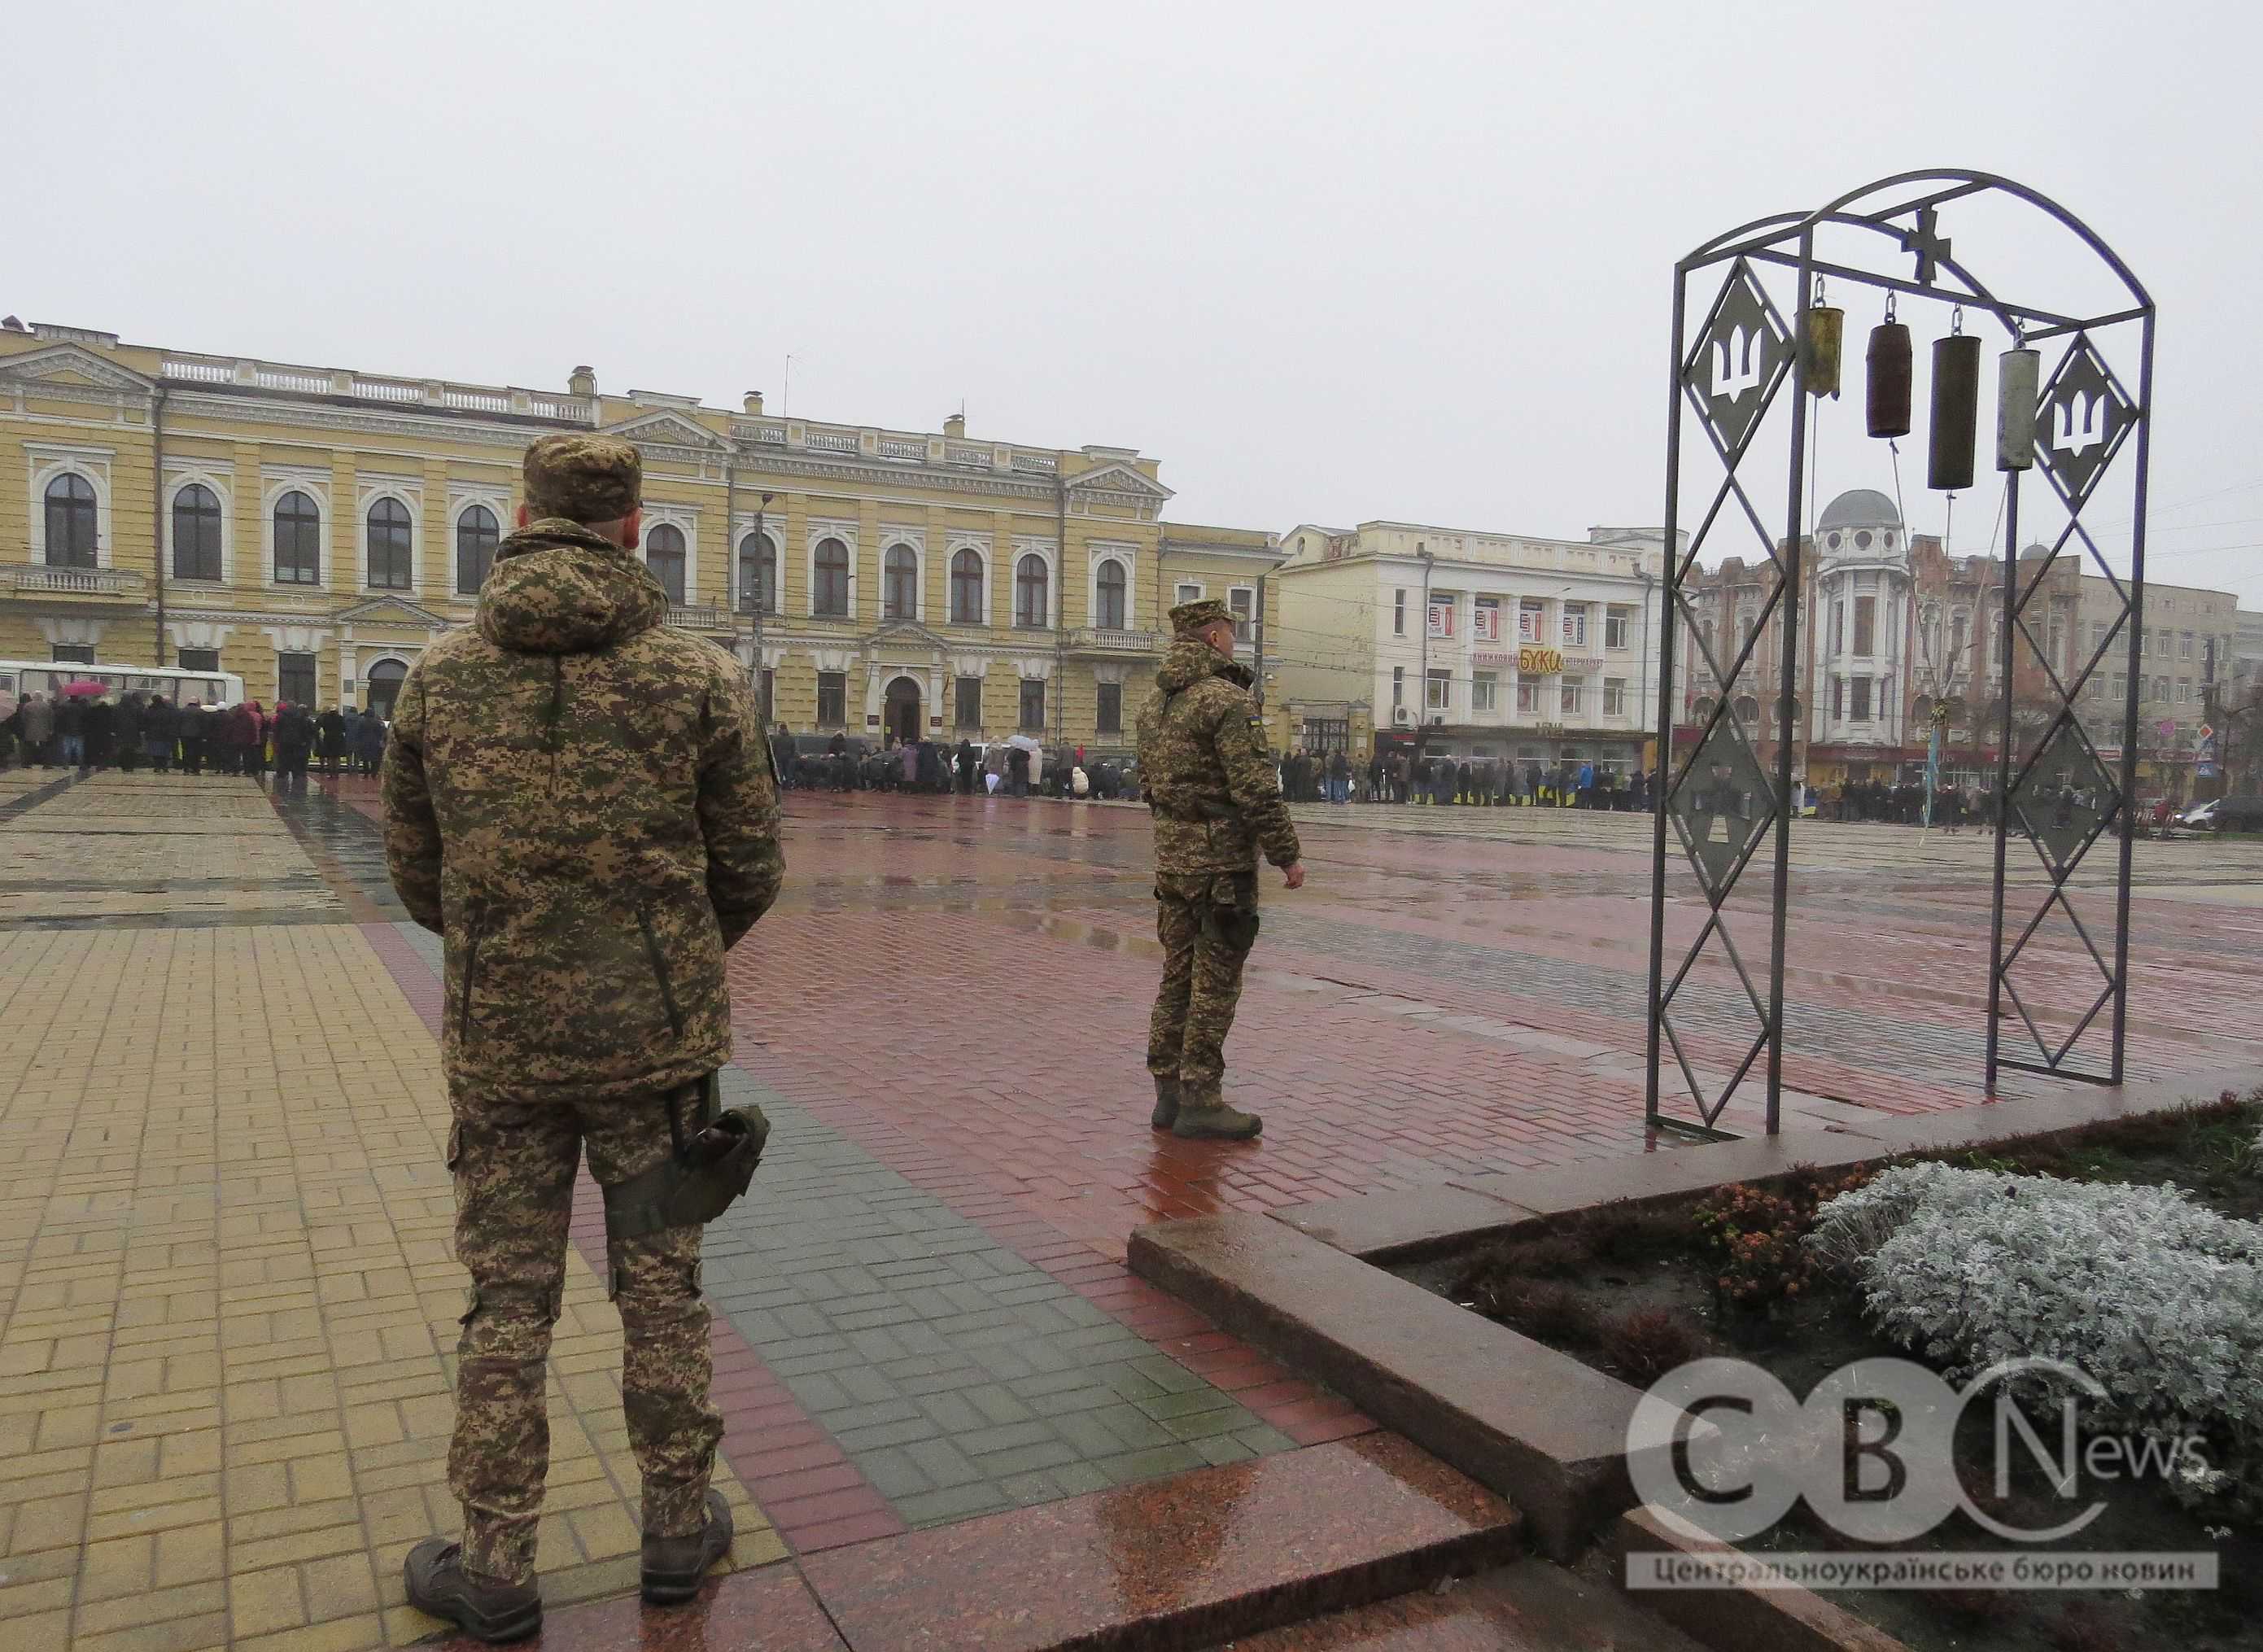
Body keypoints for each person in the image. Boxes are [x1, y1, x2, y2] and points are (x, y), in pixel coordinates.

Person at [382, 434, 783, 1641]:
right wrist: (666, 955)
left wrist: (503, 946)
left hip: (505, 1052)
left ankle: (496, 1563)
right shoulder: (697, 677)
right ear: (632, 525)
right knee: (661, 1289)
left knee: (509, 1301)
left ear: (518, 515)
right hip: (654, 1056)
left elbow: (413, 868)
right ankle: (674, 1525)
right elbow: (750, 867)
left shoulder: (439, 676)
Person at [1138, 598, 1304, 1143]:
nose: (1234, 642)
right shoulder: (1227, 700)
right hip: (1220, 869)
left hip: (1173, 861)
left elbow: (1149, 786)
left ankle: (1167, 1093)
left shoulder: (1154, 705)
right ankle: (1201, 1099)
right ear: (1214, 638)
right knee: (1214, 983)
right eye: (1230, 633)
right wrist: (1286, 854)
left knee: (1176, 977)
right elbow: (1255, 787)